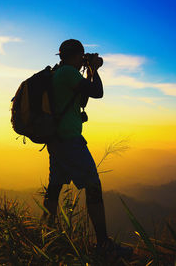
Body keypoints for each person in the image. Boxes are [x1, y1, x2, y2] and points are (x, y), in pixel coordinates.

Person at [43, 39, 132, 257]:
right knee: (93, 185)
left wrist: (89, 71)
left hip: (56, 140)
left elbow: (82, 98)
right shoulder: (68, 73)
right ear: (77, 55)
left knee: (55, 185)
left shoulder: (59, 73)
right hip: (70, 141)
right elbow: (97, 92)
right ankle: (103, 244)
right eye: (82, 56)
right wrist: (94, 69)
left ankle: (47, 234)